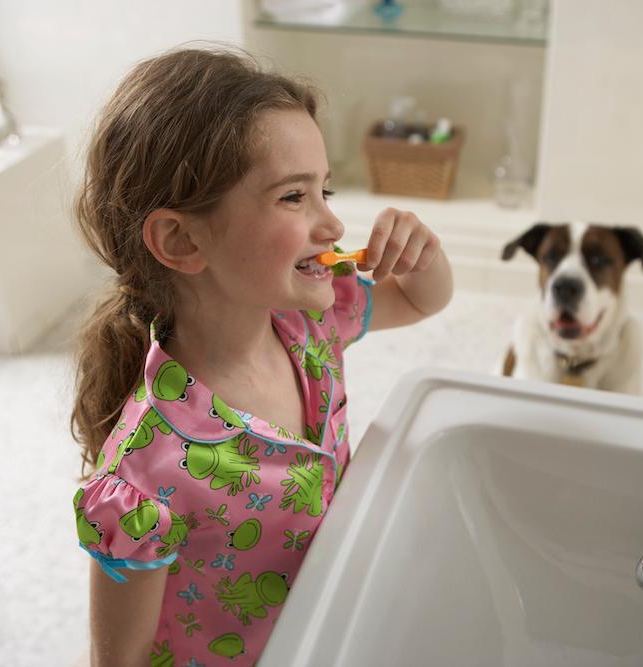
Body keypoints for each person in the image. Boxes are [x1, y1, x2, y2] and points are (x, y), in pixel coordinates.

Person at [69, 46, 453, 666]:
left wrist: (425, 254)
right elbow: (117, 661)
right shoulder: (147, 476)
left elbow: (421, 299)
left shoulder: (312, 319)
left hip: (332, 627)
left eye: (324, 189)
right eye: (293, 197)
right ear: (182, 239)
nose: (332, 224)